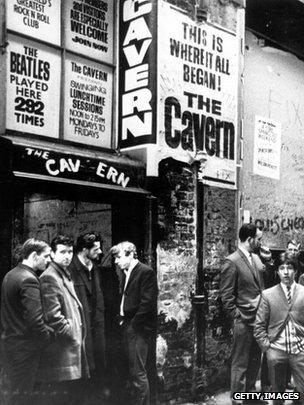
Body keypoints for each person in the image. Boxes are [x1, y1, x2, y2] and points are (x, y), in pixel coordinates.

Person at [1, 238, 53, 405]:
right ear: (33, 255)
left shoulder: (10, 275)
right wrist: (48, 337)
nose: (49, 260)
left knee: (12, 395)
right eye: (46, 256)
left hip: (10, 346)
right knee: (23, 398)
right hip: (25, 350)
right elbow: (35, 321)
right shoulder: (29, 279)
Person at [38, 235, 89, 404]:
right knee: (64, 395)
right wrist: (71, 332)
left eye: (70, 252)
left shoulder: (63, 274)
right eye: (62, 252)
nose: (67, 256)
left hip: (70, 347)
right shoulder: (49, 277)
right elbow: (52, 316)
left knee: (71, 394)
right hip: (63, 349)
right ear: (52, 254)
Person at [220, 223, 265, 405]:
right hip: (243, 321)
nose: (261, 242)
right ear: (249, 239)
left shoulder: (256, 258)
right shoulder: (232, 261)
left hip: (259, 320)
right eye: (259, 239)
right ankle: (237, 399)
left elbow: (261, 285)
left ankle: (250, 396)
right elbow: (226, 296)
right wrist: (238, 316)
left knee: (255, 358)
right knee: (240, 362)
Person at [110, 241, 158, 405]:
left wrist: (133, 325)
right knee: (131, 370)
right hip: (127, 324)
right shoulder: (125, 271)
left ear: (130, 254)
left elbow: (147, 304)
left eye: (118, 257)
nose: (116, 261)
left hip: (137, 328)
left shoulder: (145, 272)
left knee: (138, 373)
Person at [254, 252, 304, 405]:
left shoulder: (303, 292)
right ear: (277, 271)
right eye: (282, 268)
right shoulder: (268, 295)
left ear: (295, 270)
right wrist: (268, 349)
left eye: (290, 268)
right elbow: (259, 326)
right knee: (277, 397)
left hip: (300, 351)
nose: (286, 272)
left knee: (301, 395)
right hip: (276, 351)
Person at [68, 232, 106, 401]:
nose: (100, 252)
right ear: (84, 250)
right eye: (96, 249)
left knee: (96, 371)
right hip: (79, 331)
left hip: (96, 330)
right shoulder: (70, 269)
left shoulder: (95, 268)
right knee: (79, 379)